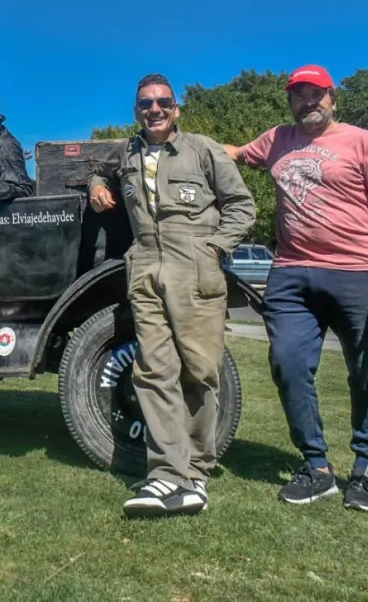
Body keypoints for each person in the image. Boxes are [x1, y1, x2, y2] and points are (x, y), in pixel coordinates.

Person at [224, 64, 368, 513]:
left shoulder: (365, 142)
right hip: (290, 273)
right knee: (287, 364)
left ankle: (364, 470)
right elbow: (232, 153)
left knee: (366, 373)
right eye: (298, 95)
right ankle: (317, 467)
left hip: (358, 272)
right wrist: (176, 136)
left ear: (332, 97)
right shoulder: (277, 140)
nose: (308, 101)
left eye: (316, 93)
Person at [89, 74, 255, 518]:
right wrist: (95, 187)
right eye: (146, 103)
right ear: (136, 110)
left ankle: (196, 471)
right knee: (153, 371)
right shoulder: (127, 152)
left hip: (194, 267)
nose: (155, 110)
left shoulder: (204, 150)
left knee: (199, 371)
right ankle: (166, 474)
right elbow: (97, 170)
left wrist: (216, 248)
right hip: (145, 266)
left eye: (163, 102)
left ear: (176, 109)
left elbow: (243, 205)